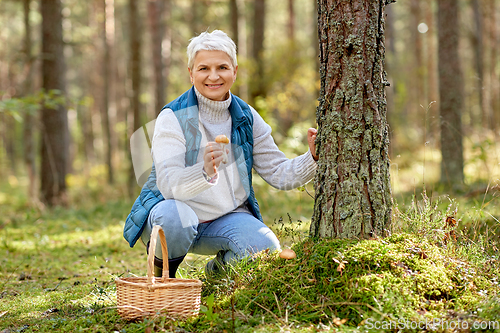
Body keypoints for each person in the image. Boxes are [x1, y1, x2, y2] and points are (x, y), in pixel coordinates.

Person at [123, 30, 318, 279]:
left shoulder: (246, 117)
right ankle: (164, 277)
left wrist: (311, 157)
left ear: (234, 71)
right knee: (171, 216)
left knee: (265, 248)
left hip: (226, 218)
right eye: (204, 68)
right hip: (176, 217)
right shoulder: (172, 117)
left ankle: (217, 273)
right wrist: (202, 171)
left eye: (222, 67)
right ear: (191, 73)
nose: (213, 76)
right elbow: (169, 187)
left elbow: (279, 174)